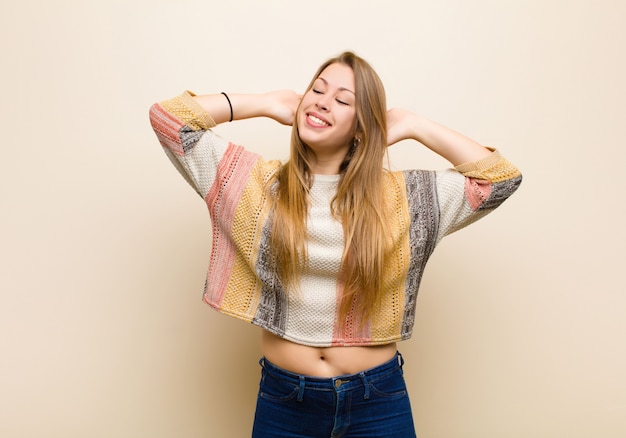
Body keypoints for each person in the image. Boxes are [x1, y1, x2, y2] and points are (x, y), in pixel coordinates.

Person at [149, 51, 522, 437]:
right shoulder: (255, 185)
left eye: (343, 100)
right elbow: (169, 118)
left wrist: (413, 124)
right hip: (284, 401)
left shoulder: (405, 198)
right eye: (318, 89)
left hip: (377, 401)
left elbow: (500, 179)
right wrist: (264, 103)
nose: (323, 102)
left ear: (363, 127)